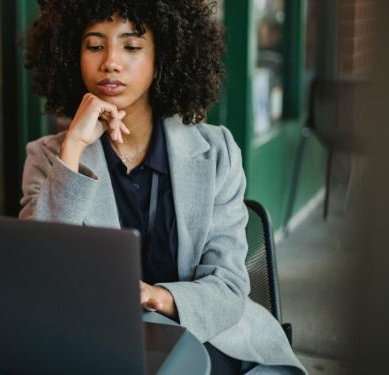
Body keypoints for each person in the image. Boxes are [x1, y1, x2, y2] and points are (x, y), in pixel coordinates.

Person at [19, 1, 306, 374]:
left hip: (213, 341)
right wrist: (73, 148)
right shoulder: (50, 159)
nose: (110, 62)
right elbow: (38, 277)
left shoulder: (216, 151)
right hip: (102, 349)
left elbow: (229, 288)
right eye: (94, 45)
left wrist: (156, 297)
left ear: (163, 57)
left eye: (132, 46)